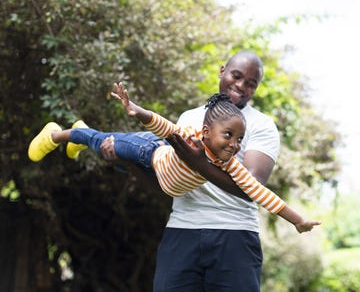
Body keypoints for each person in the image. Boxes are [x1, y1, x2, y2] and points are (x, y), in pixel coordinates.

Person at [99, 51, 307, 291]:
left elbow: (252, 186)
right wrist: (126, 162)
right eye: (236, 76)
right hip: (182, 230)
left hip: (235, 235)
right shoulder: (189, 118)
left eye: (251, 84)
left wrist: (198, 162)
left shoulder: (262, 125)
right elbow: (168, 183)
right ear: (222, 71)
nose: (241, 86)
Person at [28, 82, 320, 234]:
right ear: (206, 132)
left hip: (158, 175)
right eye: (228, 136)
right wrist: (136, 110)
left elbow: (260, 193)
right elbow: (164, 126)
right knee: (105, 142)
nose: (234, 144)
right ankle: (62, 134)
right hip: (149, 151)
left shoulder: (230, 164)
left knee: (115, 159)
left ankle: (82, 137)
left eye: (239, 139)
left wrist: (297, 220)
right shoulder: (190, 136)